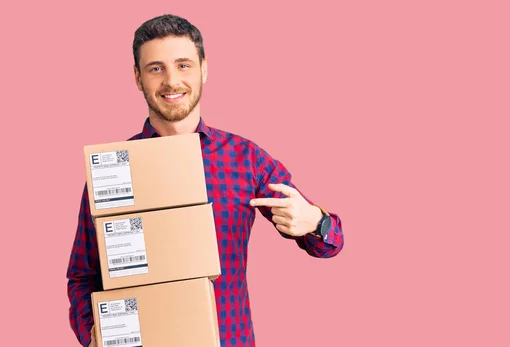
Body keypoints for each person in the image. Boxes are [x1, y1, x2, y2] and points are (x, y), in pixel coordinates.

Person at [66, 14, 344, 347]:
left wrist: (316, 220)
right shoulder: (111, 172)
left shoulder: (246, 159)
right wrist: (92, 335)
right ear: (138, 78)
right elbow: (82, 276)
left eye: (183, 65)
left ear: (204, 69)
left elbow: (330, 243)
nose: (171, 81)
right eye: (156, 68)